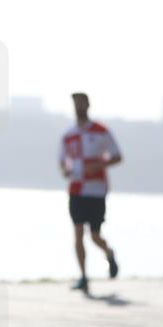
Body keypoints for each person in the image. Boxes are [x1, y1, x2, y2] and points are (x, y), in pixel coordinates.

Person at [59, 92, 122, 293]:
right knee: (77, 232)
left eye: (81, 102)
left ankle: (109, 253)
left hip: (96, 191)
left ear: (87, 104)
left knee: (94, 236)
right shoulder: (68, 135)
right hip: (76, 189)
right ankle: (84, 277)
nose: (78, 106)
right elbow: (62, 161)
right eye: (75, 102)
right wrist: (65, 170)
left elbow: (117, 156)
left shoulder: (101, 131)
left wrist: (99, 164)